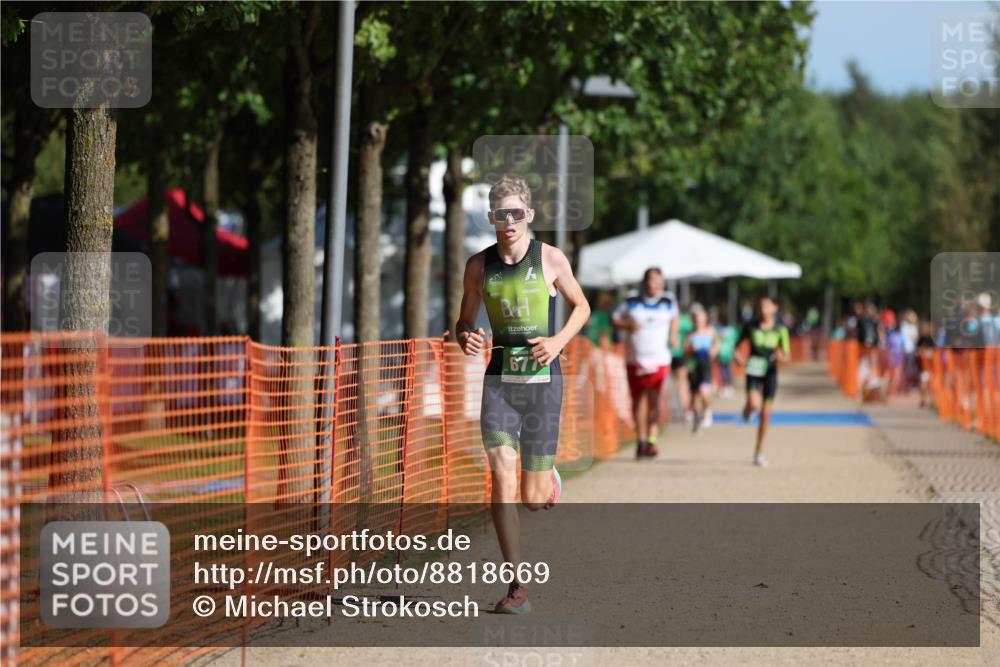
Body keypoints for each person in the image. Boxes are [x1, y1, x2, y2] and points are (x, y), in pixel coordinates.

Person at [456, 174, 590, 615]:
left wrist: (557, 342)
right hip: (499, 385)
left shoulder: (550, 259)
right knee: (500, 481)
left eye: (516, 213)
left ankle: (546, 475)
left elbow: (582, 307)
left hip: (542, 384)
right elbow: (464, 322)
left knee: (532, 499)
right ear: (491, 218)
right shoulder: (478, 266)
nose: (509, 221)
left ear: (529, 215)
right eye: (500, 214)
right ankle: (517, 586)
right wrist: (467, 337)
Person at [612, 267, 679, 459]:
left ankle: (652, 438)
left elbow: (674, 317)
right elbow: (614, 319)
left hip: (660, 359)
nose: (653, 284)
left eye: (657, 280)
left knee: (656, 400)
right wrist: (628, 325)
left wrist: (674, 335)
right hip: (636, 359)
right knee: (639, 400)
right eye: (650, 280)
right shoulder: (630, 299)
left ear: (662, 282)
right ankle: (641, 440)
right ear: (644, 281)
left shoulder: (669, 300)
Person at [735, 295, 790, 467]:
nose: (763, 309)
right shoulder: (750, 326)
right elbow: (737, 346)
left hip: (770, 373)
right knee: (755, 404)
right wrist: (737, 357)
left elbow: (787, 355)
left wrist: (782, 357)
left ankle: (759, 450)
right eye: (761, 306)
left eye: (767, 306)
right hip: (753, 369)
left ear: (775, 308)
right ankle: (748, 407)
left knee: (765, 414)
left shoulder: (781, 329)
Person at [685, 304, 720, 433]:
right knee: (694, 397)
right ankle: (696, 420)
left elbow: (717, 343)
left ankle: (707, 411)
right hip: (694, 366)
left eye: (700, 318)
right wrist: (690, 350)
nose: (698, 320)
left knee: (704, 392)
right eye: (696, 318)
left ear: (705, 319)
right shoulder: (690, 334)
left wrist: (713, 351)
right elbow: (685, 351)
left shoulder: (710, 331)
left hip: (706, 365)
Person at [670, 307, 694, 424]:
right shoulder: (685, 320)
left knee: (678, 383)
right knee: (682, 384)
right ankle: (684, 412)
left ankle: (683, 411)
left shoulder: (667, 317)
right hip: (677, 355)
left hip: (672, 355)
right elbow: (693, 332)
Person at [715, 313, 738, 398]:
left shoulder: (732, 330)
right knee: (722, 372)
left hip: (729, 353)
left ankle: (729, 387)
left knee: (728, 371)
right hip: (721, 354)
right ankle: (724, 387)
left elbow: (735, 342)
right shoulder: (719, 329)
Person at [916, 321, 936, 408]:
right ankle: (925, 399)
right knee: (925, 382)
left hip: (928, 365)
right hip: (925, 365)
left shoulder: (929, 339)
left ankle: (928, 400)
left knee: (927, 382)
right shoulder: (925, 339)